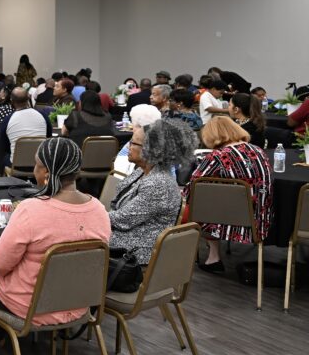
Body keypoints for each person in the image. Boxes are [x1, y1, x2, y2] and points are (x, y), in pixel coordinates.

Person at [0, 137, 110, 355]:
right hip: (80, 302)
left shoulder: (32, 210)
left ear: (45, 172)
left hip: (31, 305)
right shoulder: (99, 210)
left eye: (36, 165)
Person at [184, 117, 273, 273]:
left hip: (232, 223)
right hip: (262, 220)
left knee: (189, 206)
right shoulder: (258, 150)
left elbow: (193, 188)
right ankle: (213, 258)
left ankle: (175, 262)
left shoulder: (217, 156)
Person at [109, 119, 196, 265]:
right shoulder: (144, 172)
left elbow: (122, 220)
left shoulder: (158, 183)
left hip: (135, 254)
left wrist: (91, 214)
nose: (128, 147)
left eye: (133, 143)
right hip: (128, 239)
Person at [2, 87, 50, 166]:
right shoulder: (42, 115)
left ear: (11, 100)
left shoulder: (7, 120)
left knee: (4, 156)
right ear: (28, 98)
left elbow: (5, 146)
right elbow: (48, 137)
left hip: (16, 165)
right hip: (40, 164)